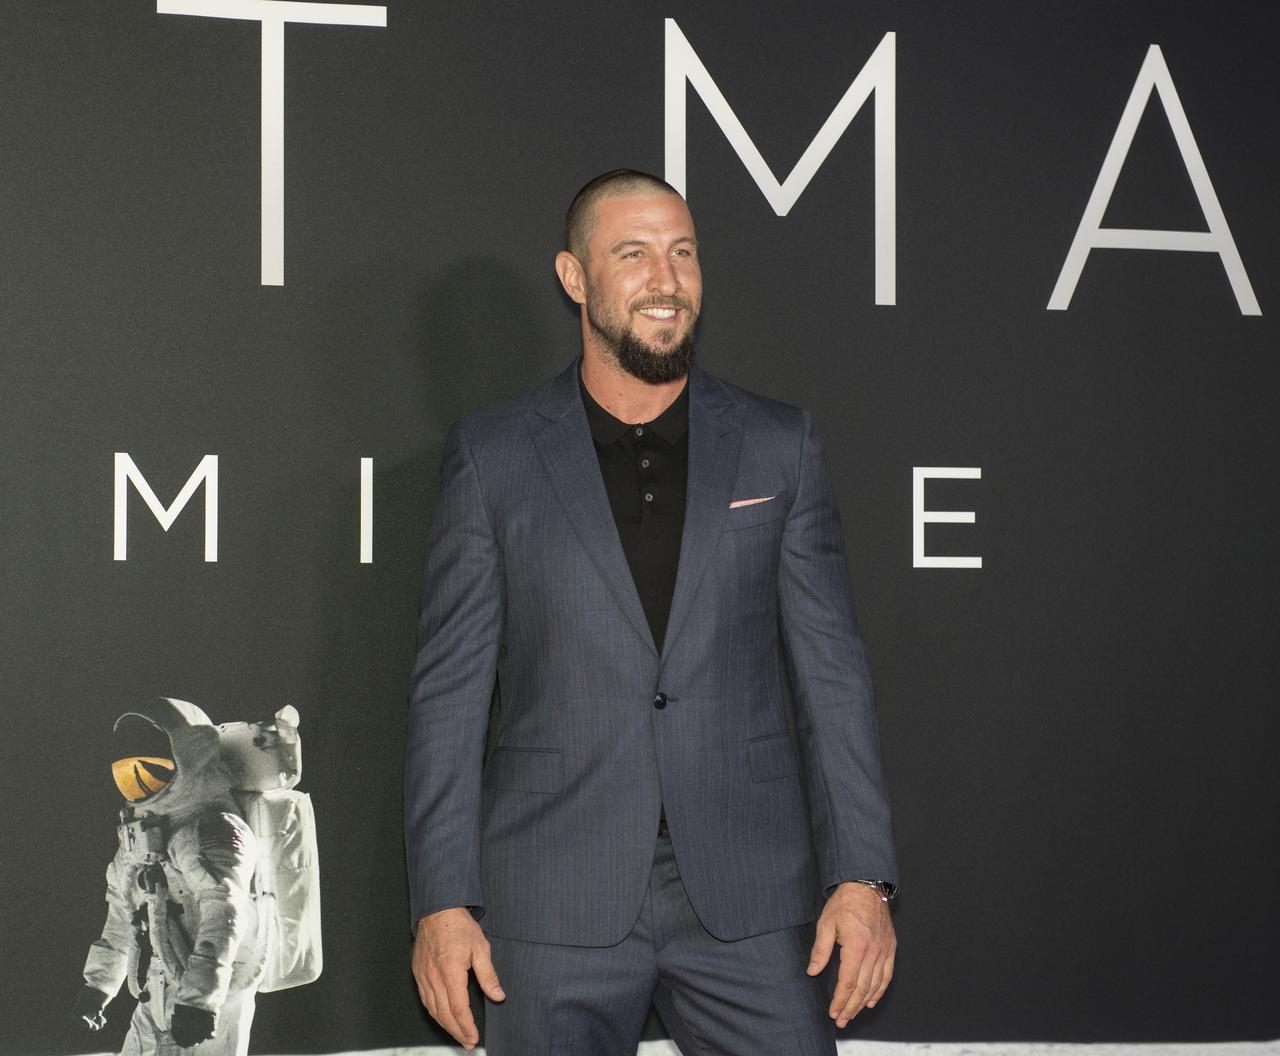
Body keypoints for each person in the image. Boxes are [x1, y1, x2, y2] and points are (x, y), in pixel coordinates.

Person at [405, 169, 899, 1056]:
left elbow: (832, 675)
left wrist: (862, 879)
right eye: (632, 254)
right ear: (574, 277)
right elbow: (449, 696)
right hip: (551, 897)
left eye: (682, 253)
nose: (665, 280)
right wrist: (444, 901)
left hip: (748, 897)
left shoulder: (780, 445)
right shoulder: (494, 457)